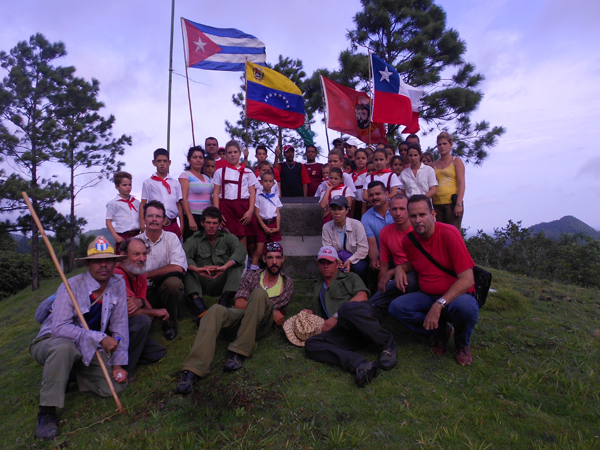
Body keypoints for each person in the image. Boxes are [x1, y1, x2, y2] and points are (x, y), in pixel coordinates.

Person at [31, 236, 129, 440]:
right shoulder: (71, 286)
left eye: (109, 260)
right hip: (51, 342)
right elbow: (58, 328)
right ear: (88, 264)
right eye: (97, 261)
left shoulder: (117, 284)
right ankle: (46, 412)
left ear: (115, 262)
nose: (103, 265)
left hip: (85, 345)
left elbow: (120, 324)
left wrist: (119, 364)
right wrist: (99, 337)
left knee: (115, 386)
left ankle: (68, 374)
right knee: (64, 348)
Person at [175, 242, 293, 394]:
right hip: (243, 317)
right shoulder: (252, 275)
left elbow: (275, 316)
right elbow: (239, 303)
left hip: (261, 324)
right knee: (216, 309)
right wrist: (267, 308)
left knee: (259, 294)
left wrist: (264, 305)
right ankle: (192, 370)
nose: (274, 262)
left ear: (283, 259)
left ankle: (237, 352)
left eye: (277, 258)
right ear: (264, 258)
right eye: (270, 257)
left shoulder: (287, 283)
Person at [388, 195, 478, 365]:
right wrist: (400, 268)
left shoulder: (449, 234)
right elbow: (415, 262)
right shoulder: (409, 240)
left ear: (433, 214)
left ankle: (462, 344)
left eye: (422, 215)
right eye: (413, 216)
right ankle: (440, 332)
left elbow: (467, 279)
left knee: (465, 308)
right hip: (427, 294)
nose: (417, 220)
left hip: (456, 296)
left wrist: (439, 304)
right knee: (397, 308)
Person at [304, 246, 396, 387]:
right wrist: (311, 313)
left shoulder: (350, 277)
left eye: (330, 262)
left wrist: (337, 315)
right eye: (322, 262)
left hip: (362, 320)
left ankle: (386, 345)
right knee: (311, 344)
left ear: (338, 263)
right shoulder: (318, 285)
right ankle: (360, 364)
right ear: (318, 264)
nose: (326, 266)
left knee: (347, 309)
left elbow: (362, 296)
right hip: (345, 332)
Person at [113, 238, 168, 374]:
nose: (142, 258)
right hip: (113, 330)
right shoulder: (118, 276)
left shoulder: (140, 274)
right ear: (123, 257)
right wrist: (155, 312)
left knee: (158, 352)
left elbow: (141, 301)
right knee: (142, 321)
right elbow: (128, 311)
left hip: (127, 329)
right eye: (136, 254)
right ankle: (125, 370)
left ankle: (111, 359)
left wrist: (143, 305)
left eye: (144, 254)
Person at [183, 206, 247, 314]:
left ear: (219, 224)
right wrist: (196, 269)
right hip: (202, 280)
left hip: (222, 280)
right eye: (208, 222)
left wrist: (225, 266)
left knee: (237, 264)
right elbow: (182, 255)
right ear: (202, 223)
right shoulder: (194, 239)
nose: (211, 226)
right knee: (187, 269)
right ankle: (198, 304)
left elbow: (241, 250)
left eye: (214, 223)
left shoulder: (227, 237)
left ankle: (225, 299)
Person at [139, 201, 188, 340]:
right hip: (142, 291)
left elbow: (179, 267)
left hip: (164, 288)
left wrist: (147, 274)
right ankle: (145, 321)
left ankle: (170, 323)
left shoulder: (171, 238)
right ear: (144, 219)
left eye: (158, 216)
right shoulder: (135, 242)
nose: (154, 219)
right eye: (150, 216)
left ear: (164, 221)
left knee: (173, 283)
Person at [368, 194, 418, 315]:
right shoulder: (385, 232)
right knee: (374, 303)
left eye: (402, 209)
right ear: (389, 211)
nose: (398, 213)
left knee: (407, 282)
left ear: (409, 210)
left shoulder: (418, 230)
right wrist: (381, 285)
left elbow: (420, 261)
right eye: (394, 209)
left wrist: (393, 271)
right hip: (397, 273)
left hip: (417, 273)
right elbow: (384, 264)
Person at [212, 140, 259, 246]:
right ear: (226, 154)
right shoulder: (220, 172)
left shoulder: (248, 172)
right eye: (229, 152)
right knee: (226, 238)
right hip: (225, 208)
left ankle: (243, 262)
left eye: (235, 152)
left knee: (243, 239)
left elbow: (252, 193)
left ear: (240, 153)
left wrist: (250, 210)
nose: (232, 155)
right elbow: (216, 193)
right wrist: (217, 213)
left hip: (243, 207)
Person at [139, 148, 184, 239]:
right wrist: (142, 224)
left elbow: (178, 204)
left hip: (172, 223)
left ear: (169, 163)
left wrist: (182, 225)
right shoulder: (148, 182)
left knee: (173, 250)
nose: (162, 164)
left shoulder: (175, 183)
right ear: (154, 162)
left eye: (165, 161)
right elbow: (143, 203)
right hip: (155, 223)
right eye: (159, 161)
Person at [321, 196, 368, 279]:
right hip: (336, 258)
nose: (336, 212)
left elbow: (363, 249)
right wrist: (338, 260)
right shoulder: (326, 227)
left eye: (340, 209)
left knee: (359, 268)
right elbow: (327, 248)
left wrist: (349, 260)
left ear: (347, 210)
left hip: (355, 257)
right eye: (333, 209)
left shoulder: (357, 225)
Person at [179, 146, 214, 241]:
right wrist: (190, 218)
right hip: (193, 216)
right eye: (195, 157)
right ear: (189, 160)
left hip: (207, 217)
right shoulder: (185, 175)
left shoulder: (206, 177)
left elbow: (210, 197)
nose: (198, 160)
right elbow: (183, 199)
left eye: (200, 157)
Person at [432, 132, 465, 230]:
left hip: (451, 203)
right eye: (439, 144)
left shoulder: (456, 161)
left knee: (452, 234)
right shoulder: (433, 165)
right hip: (437, 204)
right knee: (439, 234)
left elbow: (461, 183)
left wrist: (459, 203)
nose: (442, 146)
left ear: (451, 145)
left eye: (444, 144)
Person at [251, 171, 282, 270]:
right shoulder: (258, 197)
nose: (268, 183)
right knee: (259, 251)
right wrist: (264, 227)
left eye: (270, 181)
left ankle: (275, 270)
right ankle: (253, 273)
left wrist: (277, 228)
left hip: (273, 225)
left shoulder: (275, 197)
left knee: (276, 250)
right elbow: (256, 213)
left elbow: (277, 213)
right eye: (265, 181)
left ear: (273, 183)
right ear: (261, 182)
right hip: (262, 226)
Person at [361, 181, 394, 273]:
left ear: (386, 194)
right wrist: (375, 260)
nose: (374, 197)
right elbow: (372, 243)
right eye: (371, 195)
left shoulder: (398, 209)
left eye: (378, 194)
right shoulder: (366, 218)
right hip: (383, 257)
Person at [106, 171, 140, 252]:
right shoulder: (113, 203)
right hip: (122, 237)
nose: (128, 187)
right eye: (124, 185)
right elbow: (108, 222)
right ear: (117, 186)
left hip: (137, 235)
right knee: (123, 260)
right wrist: (115, 236)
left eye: (129, 185)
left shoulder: (137, 202)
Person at [351, 148, 369, 220]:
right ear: (354, 160)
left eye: (363, 158)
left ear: (367, 160)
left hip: (366, 204)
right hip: (353, 206)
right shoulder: (350, 176)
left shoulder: (368, 175)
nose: (360, 160)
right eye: (358, 158)